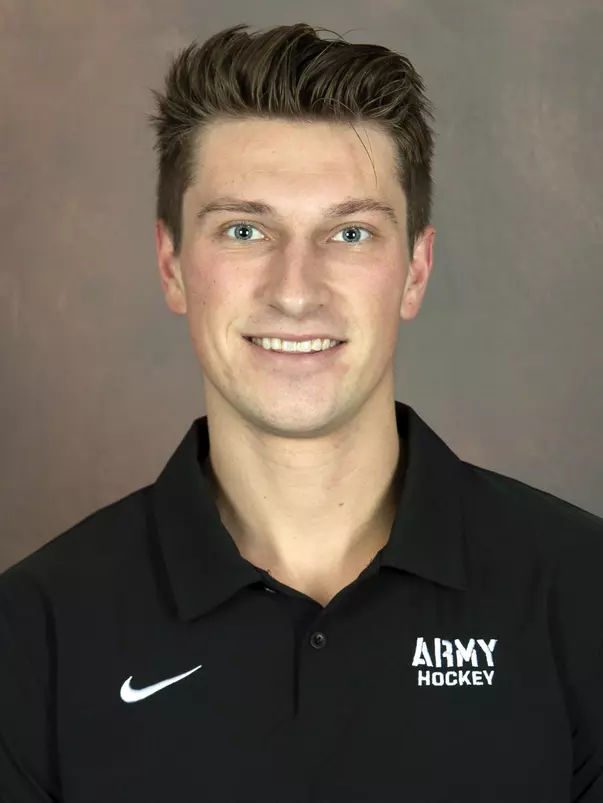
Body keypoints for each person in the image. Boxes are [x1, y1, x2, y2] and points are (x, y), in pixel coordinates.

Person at [1, 21, 601, 803]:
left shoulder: (583, 597)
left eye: (349, 233)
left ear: (413, 270)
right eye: (244, 229)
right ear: (172, 264)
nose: (295, 288)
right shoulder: (29, 636)